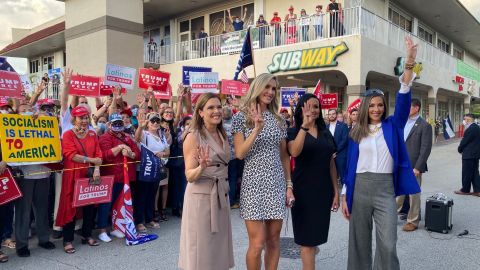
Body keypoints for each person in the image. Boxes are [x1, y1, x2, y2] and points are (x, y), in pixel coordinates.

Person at [341, 36, 421, 270]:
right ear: (366, 107)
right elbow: (349, 166)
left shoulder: (393, 125)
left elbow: (404, 92)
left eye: (380, 105)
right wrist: (346, 194)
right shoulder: (356, 132)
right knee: (358, 243)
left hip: (385, 188)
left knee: (388, 243)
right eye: (373, 105)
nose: (377, 109)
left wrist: (410, 60)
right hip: (360, 188)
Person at [232, 73, 294, 270]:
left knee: (274, 240)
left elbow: (284, 156)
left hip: (276, 183)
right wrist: (257, 129)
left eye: (273, 88)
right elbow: (240, 153)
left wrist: (289, 185)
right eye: (267, 87)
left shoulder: (279, 119)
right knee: (257, 243)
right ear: (257, 88)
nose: (270, 92)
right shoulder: (240, 118)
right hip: (253, 185)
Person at [179, 93, 234, 270]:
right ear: (200, 112)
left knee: (218, 250)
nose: (216, 111)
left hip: (220, 196)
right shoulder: (193, 136)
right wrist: (201, 167)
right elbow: (189, 175)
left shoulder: (222, 133)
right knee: (201, 251)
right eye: (210, 108)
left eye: (218, 107)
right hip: (201, 199)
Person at [287, 93, 339, 270]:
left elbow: (330, 163)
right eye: (309, 106)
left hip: (323, 191)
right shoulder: (293, 131)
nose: (313, 110)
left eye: (316, 106)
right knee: (307, 241)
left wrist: (336, 192)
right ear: (301, 109)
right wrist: (305, 127)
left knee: (315, 238)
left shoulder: (326, 133)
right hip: (303, 191)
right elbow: (294, 152)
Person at [57, 105, 103, 254]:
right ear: (74, 119)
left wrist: (96, 168)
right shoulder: (68, 134)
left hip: (90, 174)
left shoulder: (92, 134)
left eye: (85, 117)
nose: (83, 120)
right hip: (73, 174)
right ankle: (68, 240)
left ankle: (87, 235)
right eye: (80, 117)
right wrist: (92, 160)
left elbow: (99, 154)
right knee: (71, 206)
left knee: (90, 204)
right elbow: (71, 155)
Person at [14, 103, 56, 257]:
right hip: (25, 174)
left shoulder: (44, 124)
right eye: (22, 111)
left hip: (43, 173)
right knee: (23, 211)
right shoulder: (14, 130)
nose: (26, 113)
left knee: (42, 209)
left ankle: (44, 238)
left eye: (29, 110)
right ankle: (22, 244)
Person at [97, 113, 140, 242]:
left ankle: (116, 227)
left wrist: (130, 153)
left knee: (120, 204)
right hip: (110, 177)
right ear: (109, 125)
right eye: (114, 123)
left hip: (124, 177)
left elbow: (137, 154)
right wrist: (120, 147)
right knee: (106, 205)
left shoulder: (127, 137)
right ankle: (102, 230)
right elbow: (105, 155)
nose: (117, 126)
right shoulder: (104, 138)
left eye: (120, 123)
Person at [395, 98, 432, 232]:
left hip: (413, 166)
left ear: (416, 108)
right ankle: (391, 216)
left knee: (413, 194)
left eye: (408, 107)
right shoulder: (402, 123)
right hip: (399, 164)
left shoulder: (424, 125)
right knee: (398, 192)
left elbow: (425, 148)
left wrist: (418, 167)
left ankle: (413, 221)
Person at [134, 112, 170, 232]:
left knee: (151, 195)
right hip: (144, 170)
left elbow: (167, 151)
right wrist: (140, 126)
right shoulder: (144, 134)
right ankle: (139, 221)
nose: (155, 123)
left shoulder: (162, 135)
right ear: (148, 123)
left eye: (157, 121)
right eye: (152, 121)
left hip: (156, 170)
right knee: (142, 196)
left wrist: (162, 154)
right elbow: (136, 139)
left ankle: (149, 219)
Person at [456, 113, 480, 196]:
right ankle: (477, 190)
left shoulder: (471, 128)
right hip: (475, 154)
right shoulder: (477, 127)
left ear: (469, 119)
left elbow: (465, 141)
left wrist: (459, 149)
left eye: (465, 119)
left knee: (466, 172)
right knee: (474, 172)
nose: (464, 120)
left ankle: (465, 190)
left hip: (469, 154)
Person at [327, 109, 349, 183]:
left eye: (333, 114)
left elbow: (344, 140)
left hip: (340, 154)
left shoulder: (343, 126)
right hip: (329, 155)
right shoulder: (325, 127)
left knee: (343, 175)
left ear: (336, 115)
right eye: (330, 114)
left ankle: (344, 192)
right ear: (328, 116)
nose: (331, 115)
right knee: (330, 176)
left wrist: (335, 151)